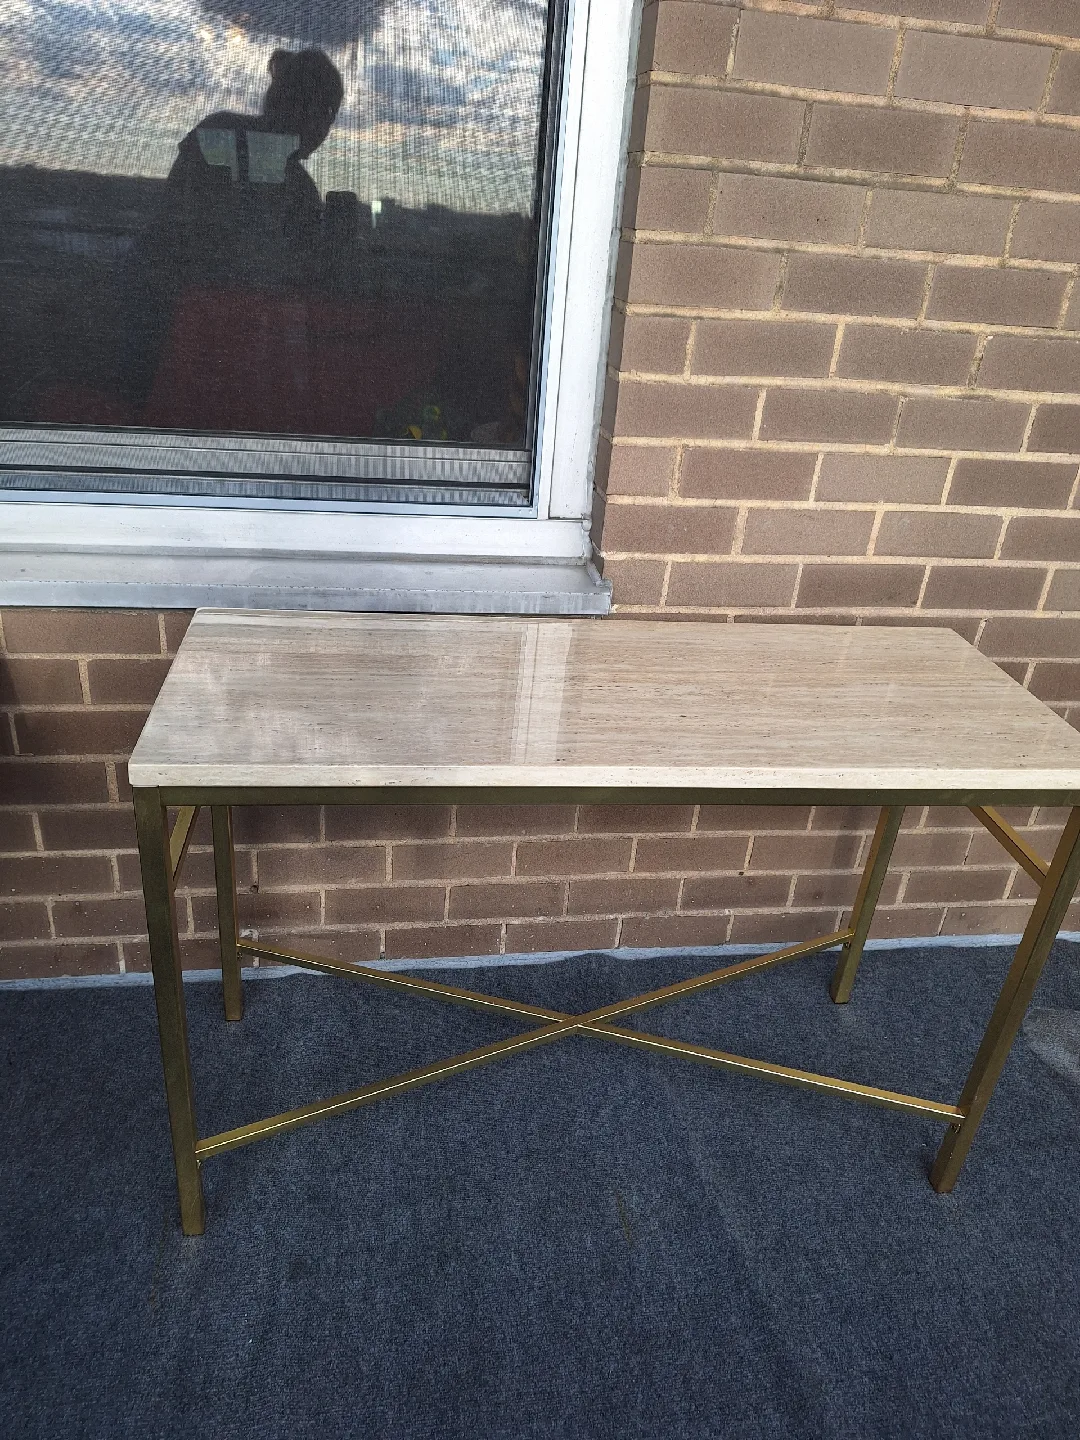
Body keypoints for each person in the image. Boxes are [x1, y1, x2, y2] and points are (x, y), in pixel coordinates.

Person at [117, 49, 343, 413]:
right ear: (307, 106)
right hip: (176, 321)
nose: (328, 127)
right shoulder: (233, 146)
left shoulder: (230, 140)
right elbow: (183, 237)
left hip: (200, 322)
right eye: (329, 112)